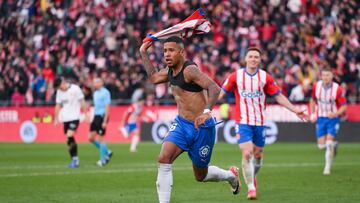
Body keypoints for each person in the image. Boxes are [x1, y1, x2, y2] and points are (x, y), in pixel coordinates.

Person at [139, 36, 240, 203]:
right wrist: (143, 52)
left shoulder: (190, 70)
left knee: (201, 175)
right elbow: (154, 78)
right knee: (164, 158)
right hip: (182, 124)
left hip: (202, 127)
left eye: (171, 50)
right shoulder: (170, 71)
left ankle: (230, 176)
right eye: (164, 51)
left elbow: (214, 88)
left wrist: (207, 112)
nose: (167, 54)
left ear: (181, 52)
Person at [218, 47, 308, 200]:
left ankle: (251, 176)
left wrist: (295, 110)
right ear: (245, 59)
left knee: (258, 155)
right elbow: (221, 92)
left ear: (260, 60)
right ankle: (251, 188)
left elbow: (278, 96)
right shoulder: (236, 76)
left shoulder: (265, 77)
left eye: (256, 57)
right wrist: (206, 108)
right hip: (243, 121)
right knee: (247, 153)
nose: (253, 59)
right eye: (251, 56)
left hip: (259, 122)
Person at [309, 67, 347, 175]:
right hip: (321, 117)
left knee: (328, 142)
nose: (326, 77)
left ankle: (327, 168)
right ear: (321, 76)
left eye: (328, 75)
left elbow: (344, 106)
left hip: (332, 119)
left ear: (332, 76)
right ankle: (334, 145)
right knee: (321, 145)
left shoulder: (337, 89)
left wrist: (335, 113)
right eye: (324, 75)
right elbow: (312, 100)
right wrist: (312, 113)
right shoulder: (316, 86)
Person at [54, 76, 87, 168]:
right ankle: (74, 158)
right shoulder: (59, 91)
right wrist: (56, 118)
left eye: (60, 87)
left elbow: (82, 101)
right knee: (68, 140)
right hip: (65, 118)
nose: (60, 89)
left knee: (69, 135)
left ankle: (75, 159)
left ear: (63, 82)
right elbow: (58, 105)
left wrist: (86, 114)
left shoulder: (75, 89)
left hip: (75, 117)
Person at [89, 77, 113, 167]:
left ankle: (103, 160)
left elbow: (107, 107)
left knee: (101, 138)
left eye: (97, 82)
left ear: (102, 83)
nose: (95, 84)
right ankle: (107, 151)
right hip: (96, 116)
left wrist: (105, 121)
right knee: (90, 138)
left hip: (103, 116)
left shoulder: (105, 92)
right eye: (94, 82)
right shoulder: (95, 93)